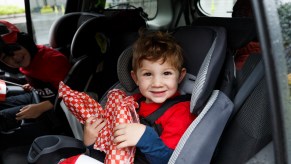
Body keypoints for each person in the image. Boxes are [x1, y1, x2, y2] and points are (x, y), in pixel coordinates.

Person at [83, 30, 197, 163]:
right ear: (135, 78)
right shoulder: (130, 103)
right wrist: (91, 142)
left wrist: (145, 138)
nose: (157, 83)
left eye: (166, 73)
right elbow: (111, 150)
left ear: (180, 76)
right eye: (148, 74)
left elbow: (172, 160)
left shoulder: (180, 112)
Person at [0, 20, 71, 147]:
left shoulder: (52, 62)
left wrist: (41, 107)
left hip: (54, 109)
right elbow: (44, 80)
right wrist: (33, 85)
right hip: (39, 95)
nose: (14, 58)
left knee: (3, 118)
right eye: (6, 58)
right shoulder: (29, 60)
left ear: (24, 42)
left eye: (14, 49)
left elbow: (71, 93)